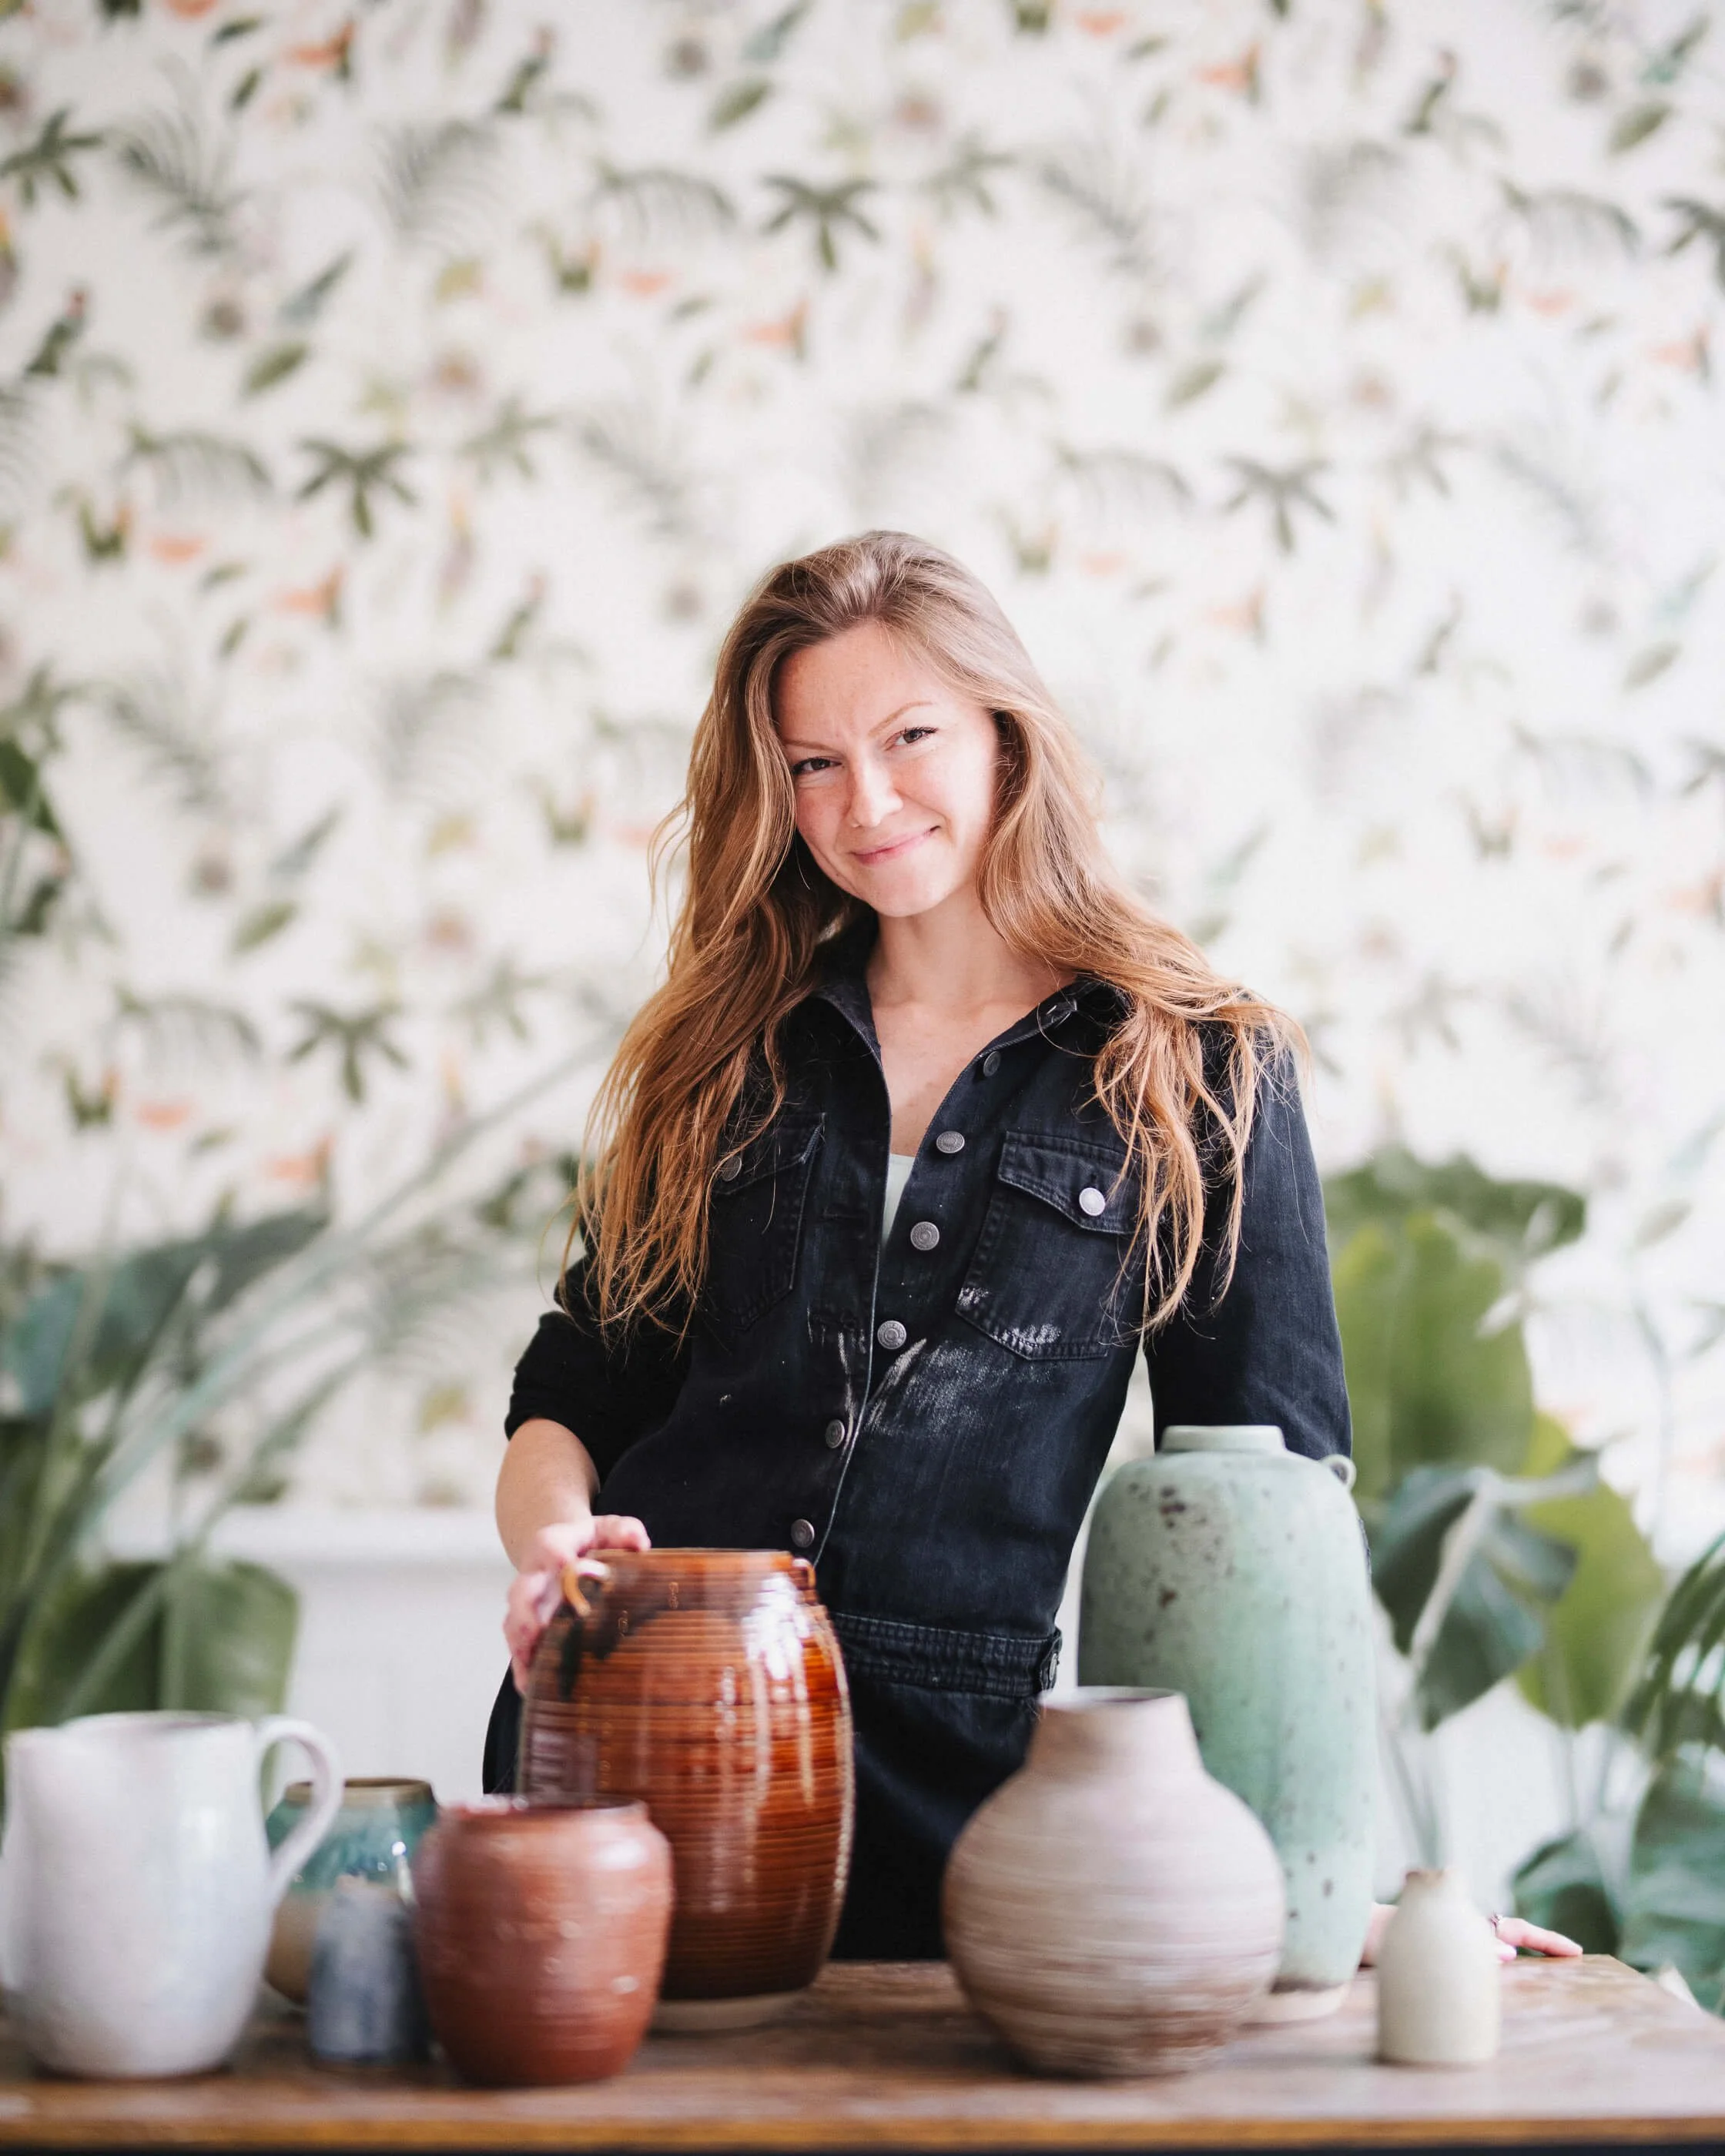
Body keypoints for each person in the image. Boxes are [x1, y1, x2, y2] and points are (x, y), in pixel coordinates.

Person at [484, 529, 1580, 1969]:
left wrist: (1315, 1897)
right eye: (813, 763)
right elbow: (571, 1394)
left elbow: (1264, 1519)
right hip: (628, 1748)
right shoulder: (722, 1056)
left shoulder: (1196, 1071)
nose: (867, 801)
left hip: (962, 1814)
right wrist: (557, 1546)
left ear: (1006, 732)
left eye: (910, 736)